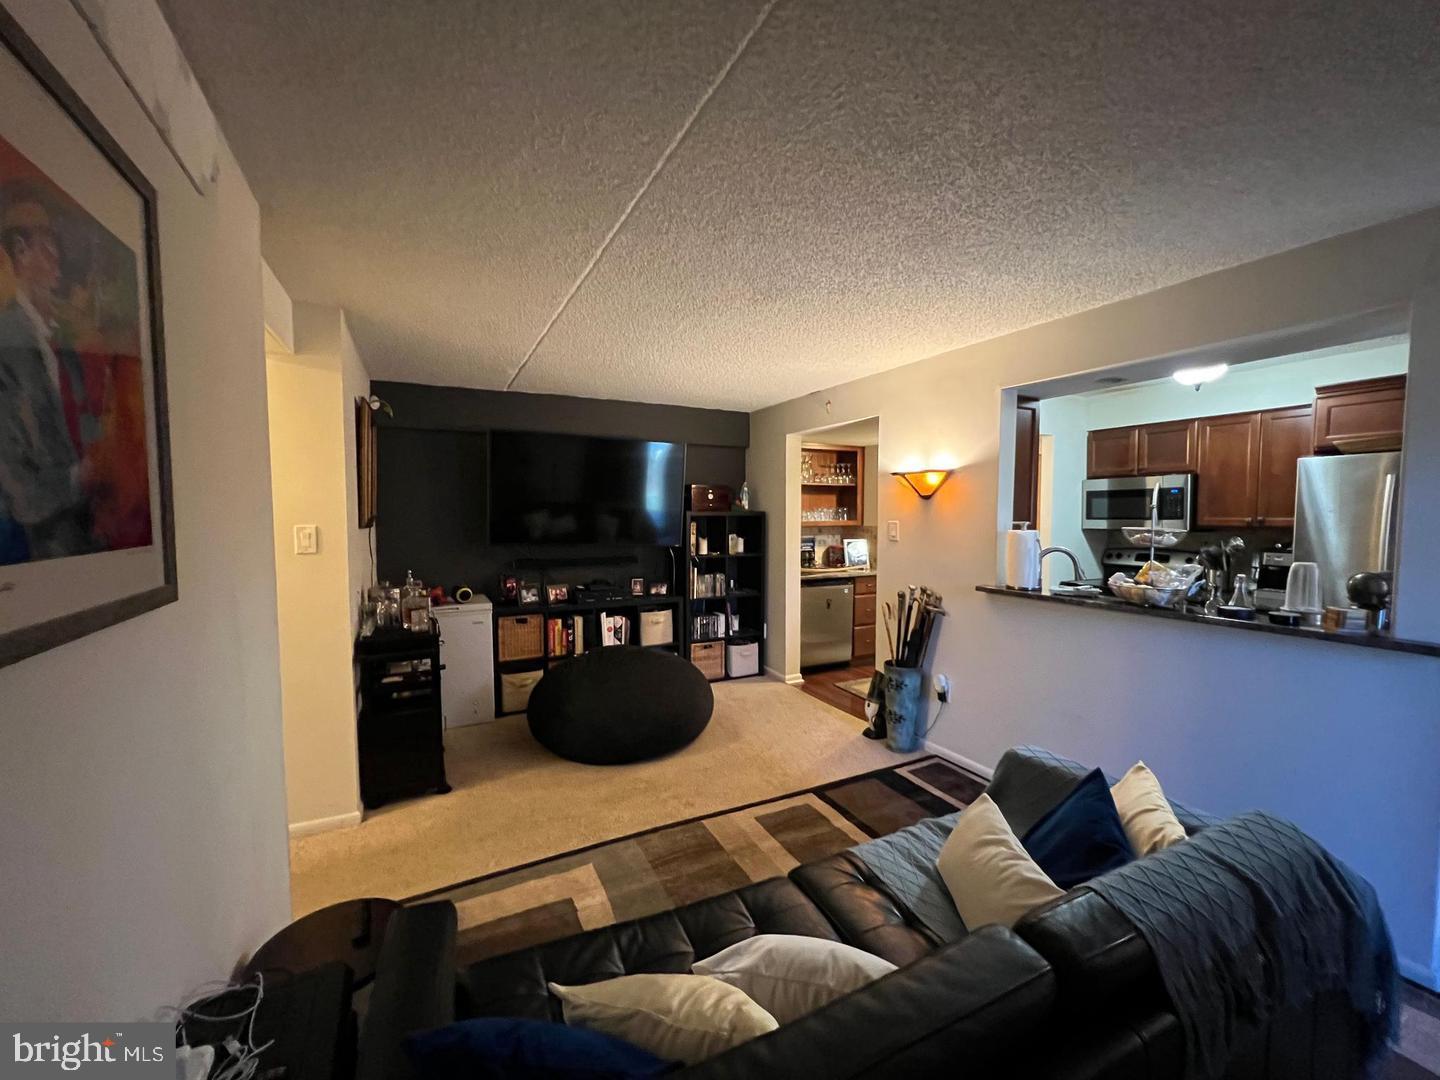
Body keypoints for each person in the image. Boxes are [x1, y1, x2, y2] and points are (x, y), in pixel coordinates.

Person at [0, 185, 99, 560]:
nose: (56, 254)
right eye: (44, 243)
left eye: (54, 241)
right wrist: (83, 476)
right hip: (40, 552)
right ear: (20, 254)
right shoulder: (6, 345)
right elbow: (22, 494)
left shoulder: (63, 350)